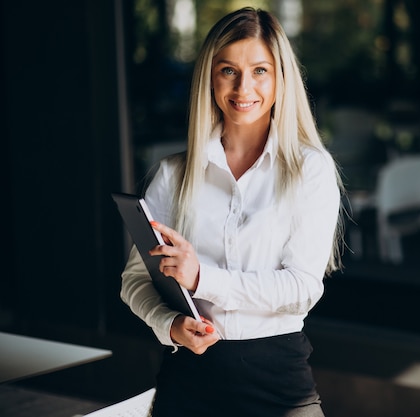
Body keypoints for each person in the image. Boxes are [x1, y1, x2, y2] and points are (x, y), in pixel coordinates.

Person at [120, 7, 344, 417]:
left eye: (260, 70)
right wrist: (167, 325)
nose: (244, 87)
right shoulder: (173, 175)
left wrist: (203, 278)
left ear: (280, 79)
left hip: (279, 384)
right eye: (228, 70)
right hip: (187, 383)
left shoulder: (311, 170)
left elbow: (302, 288)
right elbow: (135, 280)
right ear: (210, 76)